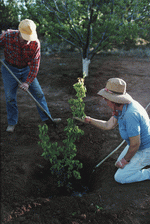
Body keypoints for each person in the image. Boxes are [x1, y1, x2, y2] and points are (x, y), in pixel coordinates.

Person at [75, 78, 150, 184]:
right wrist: (89, 120)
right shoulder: (121, 108)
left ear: (115, 101)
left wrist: (125, 160)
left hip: (145, 149)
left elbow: (135, 144)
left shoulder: (130, 115)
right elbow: (108, 125)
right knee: (118, 164)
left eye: (106, 99)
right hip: (138, 145)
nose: (105, 101)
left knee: (120, 177)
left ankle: (148, 173)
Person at [0, 19, 61, 132]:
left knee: (39, 94)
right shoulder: (7, 36)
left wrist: (27, 82)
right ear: (19, 32)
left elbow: (35, 65)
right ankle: (12, 123)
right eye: (25, 38)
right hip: (9, 69)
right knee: (10, 98)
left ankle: (48, 119)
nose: (28, 41)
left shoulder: (35, 43)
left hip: (26, 69)